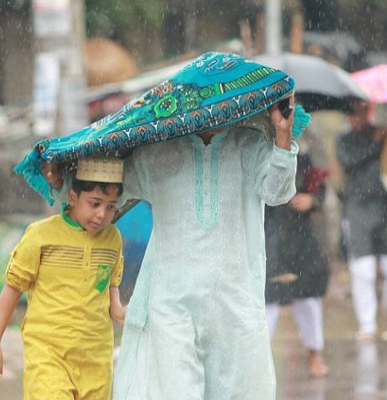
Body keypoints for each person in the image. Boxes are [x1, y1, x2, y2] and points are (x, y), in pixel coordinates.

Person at [43, 103, 299, 399]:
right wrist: (62, 184)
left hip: (233, 304)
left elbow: (278, 193)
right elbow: (107, 191)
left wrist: (282, 134)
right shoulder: (159, 151)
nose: (211, 110)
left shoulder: (249, 145)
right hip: (172, 306)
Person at [0, 157, 127, 400]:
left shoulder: (113, 239)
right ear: (73, 197)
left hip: (96, 357)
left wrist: (117, 308)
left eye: (110, 207)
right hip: (48, 353)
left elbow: (111, 280)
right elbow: (12, 288)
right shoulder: (41, 235)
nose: (101, 214)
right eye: (95, 203)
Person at [335, 100, 387, 341]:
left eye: (361, 114)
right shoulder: (343, 141)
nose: (357, 119)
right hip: (358, 209)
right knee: (363, 271)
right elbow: (350, 161)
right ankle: (367, 324)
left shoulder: (385, 133)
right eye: (353, 115)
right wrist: (374, 143)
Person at [264, 132, 331, 379]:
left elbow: (320, 191)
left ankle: (315, 354)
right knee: (267, 301)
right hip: (269, 238)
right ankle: (260, 362)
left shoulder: (303, 160)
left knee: (307, 299)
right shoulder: (259, 158)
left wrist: (311, 200)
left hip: (301, 239)